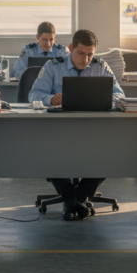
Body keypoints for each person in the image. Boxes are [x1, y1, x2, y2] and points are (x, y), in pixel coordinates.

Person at [28, 29, 124, 221]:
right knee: (47, 152)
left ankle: (74, 199)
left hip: (94, 131)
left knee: (112, 152)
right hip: (59, 131)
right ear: (71, 48)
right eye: (81, 53)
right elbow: (34, 94)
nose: (86, 59)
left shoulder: (101, 66)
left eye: (90, 54)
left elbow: (120, 95)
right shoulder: (53, 66)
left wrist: (106, 97)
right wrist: (50, 98)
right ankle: (78, 199)